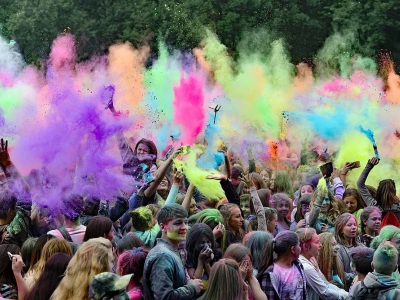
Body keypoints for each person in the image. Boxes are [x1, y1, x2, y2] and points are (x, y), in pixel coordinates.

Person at [143, 204, 203, 300]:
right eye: (178, 223)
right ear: (163, 227)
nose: (184, 228)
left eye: (186, 222)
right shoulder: (163, 256)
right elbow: (164, 297)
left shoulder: (171, 251)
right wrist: (191, 288)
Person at [297, 228, 348, 300]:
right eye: (317, 242)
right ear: (306, 246)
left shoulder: (312, 260)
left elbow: (325, 283)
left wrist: (343, 293)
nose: (320, 245)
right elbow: (324, 292)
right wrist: (347, 296)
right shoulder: (306, 267)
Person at [257, 230, 307, 300]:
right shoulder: (271, 274)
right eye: (299, 245)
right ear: (292, 249)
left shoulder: (298, 265)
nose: (300, 248)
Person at [357, 157, 400, 223]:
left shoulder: (374, 206)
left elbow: (360, 184)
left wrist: (369, 165)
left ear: (378, 191)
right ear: (394, 191)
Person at [334, 213, 363, 290]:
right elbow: (340, 274)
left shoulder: (361, 246)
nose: (353, 227)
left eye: (355, 225)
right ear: (341, 229)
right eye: (349, 225)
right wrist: (360, 275)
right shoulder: (337, 249)